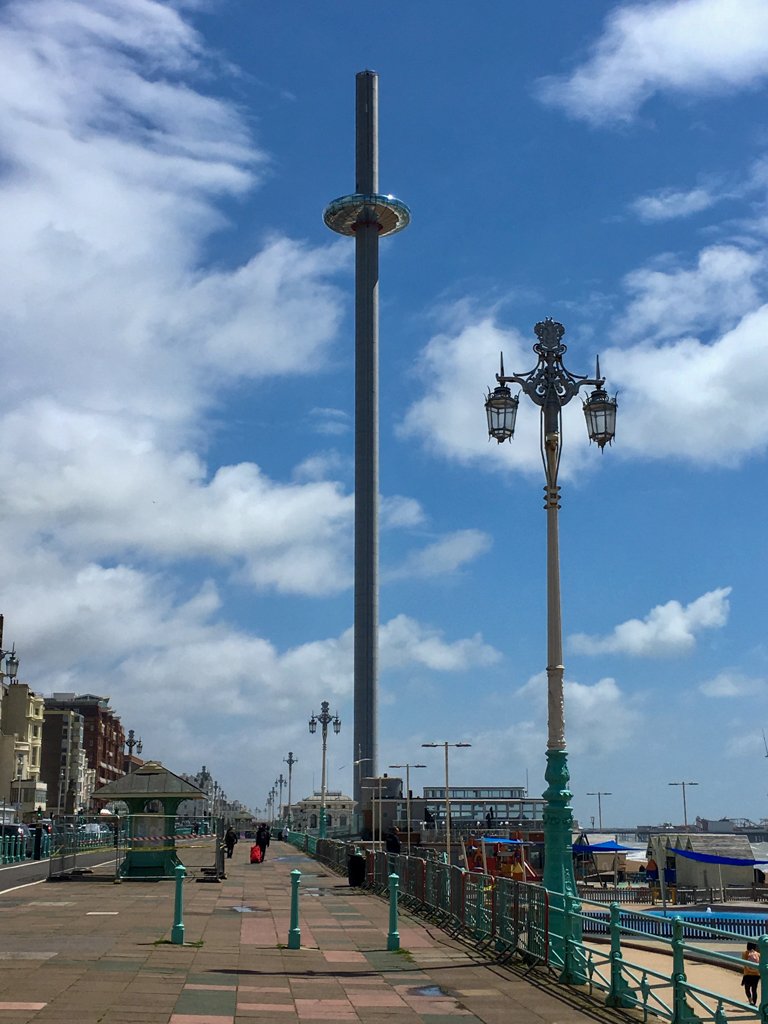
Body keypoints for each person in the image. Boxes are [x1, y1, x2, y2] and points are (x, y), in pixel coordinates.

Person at [742, 941, 760, 1005]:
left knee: (747, 989)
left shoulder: (745, 953)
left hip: (747, 974)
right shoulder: (758, 954)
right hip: (756, 974)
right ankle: (754, 1004)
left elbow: (743, 962)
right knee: (754, 990)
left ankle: (750, 1000)